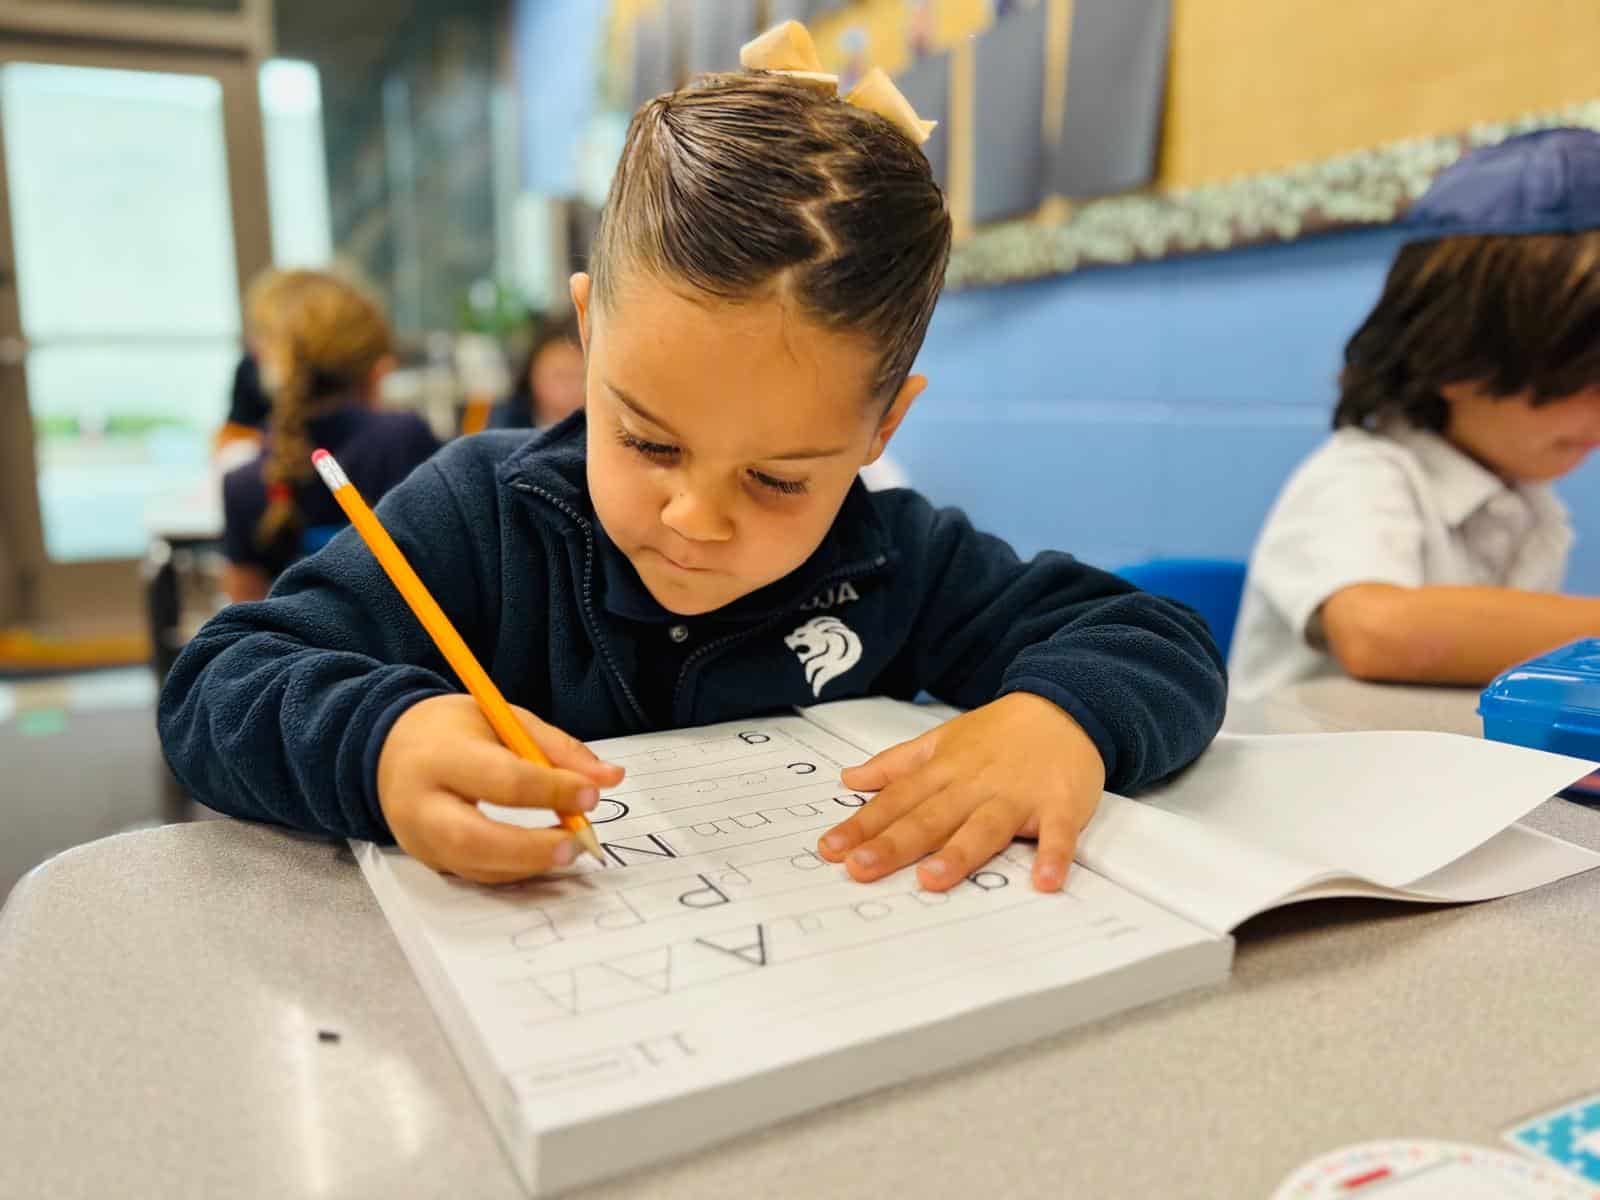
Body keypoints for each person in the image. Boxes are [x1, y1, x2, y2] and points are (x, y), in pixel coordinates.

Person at [161, 21, 1225, 894]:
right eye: (647, 441)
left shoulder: (895, 555)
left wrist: (1062, 720)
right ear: (586, 340)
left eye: (776, 478)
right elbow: (218, 684)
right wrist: (380, 742)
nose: (695, 520)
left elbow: (1155, 638)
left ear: (880, 430)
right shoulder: (480, 517)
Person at [1231, 128, 1600, 701]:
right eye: (1587, 377)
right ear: (1459, 355)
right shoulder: (1362, 474)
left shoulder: (1533, 511)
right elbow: (1378, 630)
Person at [219, 269, 441, 602]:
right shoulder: (404, 439)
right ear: (374, 363)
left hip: (298, 654)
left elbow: (243, 622)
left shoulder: (242, 484)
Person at [487, 312, 587, 430]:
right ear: (532, 376)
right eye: (560, 376)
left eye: (580, 376)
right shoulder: (506, 420)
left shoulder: (600, 427)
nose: (571, 387)